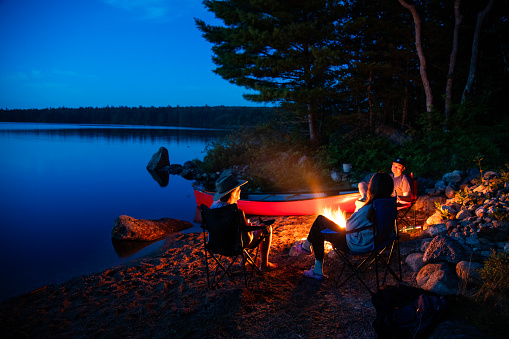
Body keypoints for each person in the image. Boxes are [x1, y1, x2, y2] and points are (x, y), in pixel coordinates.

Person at [296, 172, 394, 279]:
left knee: (320, 222)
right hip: (379, 241)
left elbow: (348, 226)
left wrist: (359, 209)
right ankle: (306, 247)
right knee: (320, 224)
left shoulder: (369, 209)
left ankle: (316, 268)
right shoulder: (388, 205)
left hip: (356, 244)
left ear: (373, 188)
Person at [210, 174, 278, 272]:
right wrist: (257, 231)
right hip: (233, 247)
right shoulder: (236, 212)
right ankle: (264, 265)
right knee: (266, 228)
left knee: (248, 229)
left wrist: (247, 227)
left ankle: (243, 261)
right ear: (232, 192)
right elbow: (246, 241)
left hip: (215, 245)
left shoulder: (213, 207)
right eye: (238, 189)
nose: (240, 190)